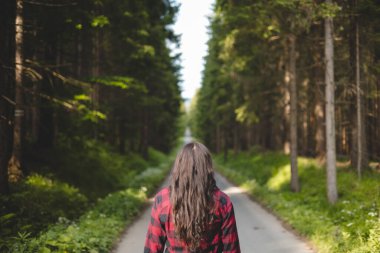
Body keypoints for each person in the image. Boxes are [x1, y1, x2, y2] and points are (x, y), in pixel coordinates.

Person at [144, 142, 241, 253]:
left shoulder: (162, 200)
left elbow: (152, 248)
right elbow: (232, 249)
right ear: (207, 168)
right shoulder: (222, 202)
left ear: (180, 167)